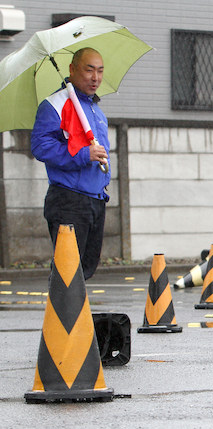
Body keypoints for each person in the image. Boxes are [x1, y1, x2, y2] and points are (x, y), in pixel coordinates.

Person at [31, 47, 110, 280]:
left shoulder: (94, 109)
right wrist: (84, 155)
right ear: (72, 69)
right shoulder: (55, 104)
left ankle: (75, 317)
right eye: (89, 70)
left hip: (95, 198)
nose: (95, 78)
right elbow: (40, 146)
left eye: (100, 71)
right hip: (69, 198)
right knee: (67, 273)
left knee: (84, 270)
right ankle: (62, 317)